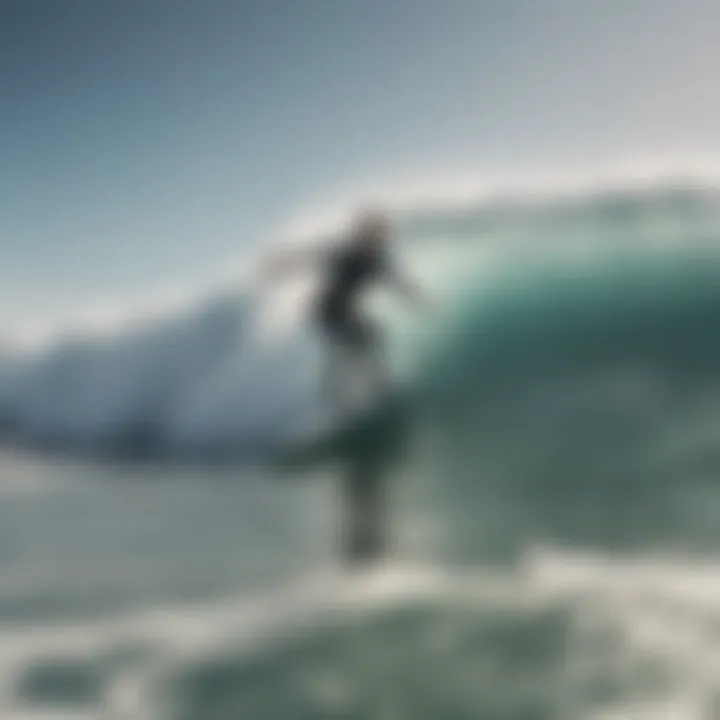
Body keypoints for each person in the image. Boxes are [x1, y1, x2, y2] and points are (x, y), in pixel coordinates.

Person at [263, 208, 427, 419]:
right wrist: (280, 264)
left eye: (380, 234)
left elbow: (397, 282)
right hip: (326, 309)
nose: (377, 239)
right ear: (362, 233)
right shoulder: (344, 251)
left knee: (373, 337)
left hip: (346, 311)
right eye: (372, 233)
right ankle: (334, 395)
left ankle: (377, 386)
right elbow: (309, 256)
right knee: (352, 343)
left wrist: (416, 299)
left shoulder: (378, 261)